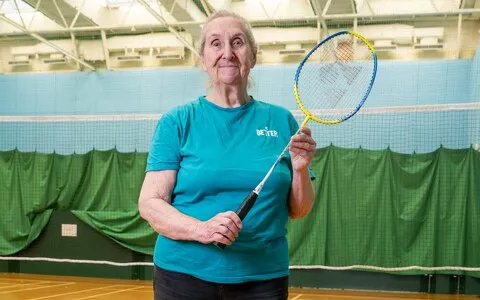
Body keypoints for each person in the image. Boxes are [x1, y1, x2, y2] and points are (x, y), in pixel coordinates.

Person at [138, 9, 317, 300]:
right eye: (215, 43)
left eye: (237, 42)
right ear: (203, 60)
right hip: (183, 277)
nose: (227, 52)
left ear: (253, 56)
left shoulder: (282, 121)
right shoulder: (177, 121)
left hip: (262, 280)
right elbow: (150, 204)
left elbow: (299, 209)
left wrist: (299, 170)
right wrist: (203, 229)